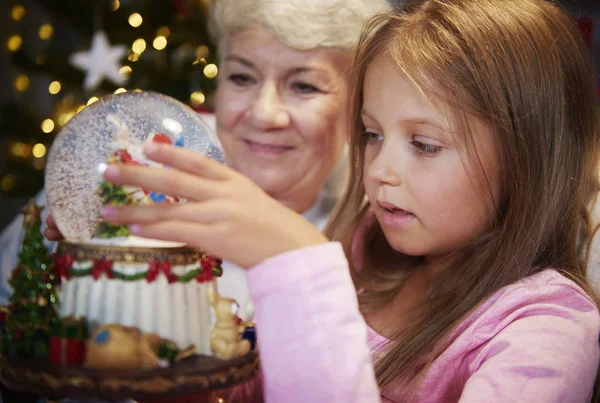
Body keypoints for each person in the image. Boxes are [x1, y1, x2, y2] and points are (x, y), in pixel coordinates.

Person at [97, 0, 600, 401]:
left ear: (527, 157)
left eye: (424, 145)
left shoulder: (546, 330)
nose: (379, 171)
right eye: (371, 134)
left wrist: (300, 269)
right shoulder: (365, 249)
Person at [0, 0, 390, 318]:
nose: (264, 114)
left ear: (357, 104)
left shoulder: (384, 218)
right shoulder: (130, 168)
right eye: (241, 78)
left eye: (304, 85)